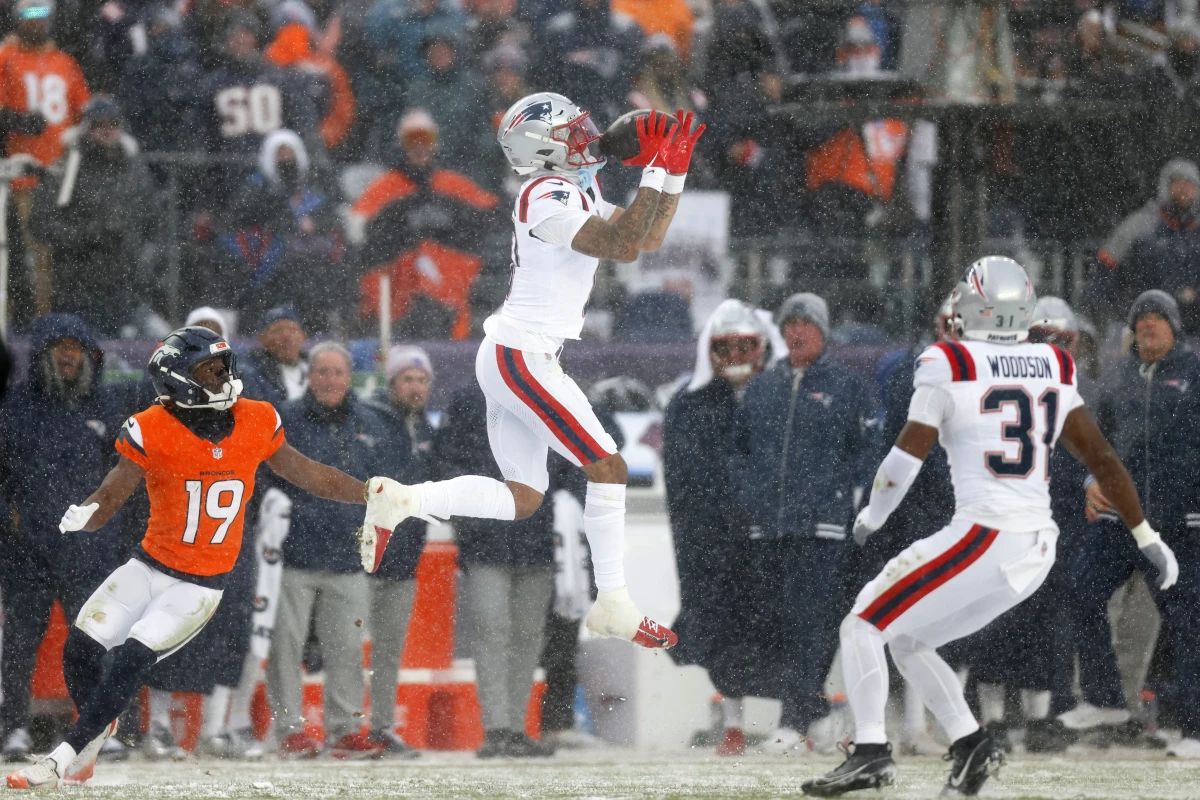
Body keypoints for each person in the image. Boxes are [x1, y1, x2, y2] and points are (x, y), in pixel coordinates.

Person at [801, 257, 1180, 797]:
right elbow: (1104, 460)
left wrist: (872, 516)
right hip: (1036, 545)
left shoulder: (947, 361)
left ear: (977, 307)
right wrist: (1148, 536)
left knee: (861, 623)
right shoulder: (1053, 364)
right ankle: (972, 744)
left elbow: (905, 459)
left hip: (985, 534)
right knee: (907, 639)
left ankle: (870, 753)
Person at [360, 96, 705, 651]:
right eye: (572, 130)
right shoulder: (546, 194)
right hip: (521, 354)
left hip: (521, 353)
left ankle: (402, 500)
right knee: (608, 467)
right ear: (544, 146)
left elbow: (645, 241)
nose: (587, 135)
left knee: (523, 497)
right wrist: (655, 164)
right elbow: (620, 244)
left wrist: (674, 167)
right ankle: (613, 600)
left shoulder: (575, 188)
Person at [5, 326, 374, 790]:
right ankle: (98, 730)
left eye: (224, 366)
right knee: (79, 650)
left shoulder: (257, 419)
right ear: (180, 379)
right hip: (147, 566)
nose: (223, 376)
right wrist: (85, 516)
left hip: (199, 585)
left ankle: (61, 759)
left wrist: (366, 492)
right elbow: (112, 493)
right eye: (210, 369)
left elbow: (311, 475)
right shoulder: (151, 427)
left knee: (131, 658)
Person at [730, 292, 878, 752]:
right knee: (776, 624)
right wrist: (750, 496)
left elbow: (869, 452)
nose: (796, 332)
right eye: (789, 324)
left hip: (823, 530)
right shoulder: (762, 386)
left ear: (824, 331)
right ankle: (813, 717)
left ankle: (793, 722)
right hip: (768, 529)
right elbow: (739, 450)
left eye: (806, 324)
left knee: (810, 625)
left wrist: (844, 499)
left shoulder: (848, 387)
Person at [1063, 290, 1200, 758]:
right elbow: (1093, 438)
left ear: (1174, 327)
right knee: (1081, 587)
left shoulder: (1195, 372)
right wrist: (1089, 481)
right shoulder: (1119, 378)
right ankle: (1106, 701)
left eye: (1158, 319)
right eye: (1140, 320)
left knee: (1187, 620)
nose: (1148, 326)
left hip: (1178, 519)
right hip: (1123, 516)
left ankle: (1195, 729)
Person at [0, 315, 124, 763]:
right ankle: (12, 728)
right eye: (60, 347)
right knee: (18, 644)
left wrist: (109, 534)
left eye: (76, 347)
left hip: (88, 551)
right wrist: (8, 526)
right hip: (25, 551)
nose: (69, 355)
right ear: (42, 354)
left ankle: (99, 730)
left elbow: (126, 479)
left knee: (95, 641)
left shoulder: (106, 407)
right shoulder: (15, 407)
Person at [266, 343, 394, 759]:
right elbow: (264, 477)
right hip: (292, 555)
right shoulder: (285, 420)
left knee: (349, 649)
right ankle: (288, 729)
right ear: (309, 375)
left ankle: (344, 731)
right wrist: (285, 515)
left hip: (347, 555)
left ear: (349, 377)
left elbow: (382, 485)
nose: (330, 380)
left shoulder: (369, 423)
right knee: (285, 648)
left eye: (337, 373)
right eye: (322, 372)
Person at [663, 299, 769, 756]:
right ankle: (732, 722)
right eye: (728, 347)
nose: (737, 356)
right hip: (714, 541)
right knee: (723, 633)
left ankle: (798, 718)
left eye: (747, 345)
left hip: (769, 536)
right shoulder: (688, 404)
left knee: (783, 624)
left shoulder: (778, 395)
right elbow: (685, 483)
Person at [361, 346, 435, 756]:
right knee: (349, 649)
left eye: (422, 380)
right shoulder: (371, 422)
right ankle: (347, 727)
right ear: (391, 384)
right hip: (366, 557)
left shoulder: (425, 430)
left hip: (404, 560)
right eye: (407, 378)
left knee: (388, 652)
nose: (415, 386)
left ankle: (381, 727)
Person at [29, 96, 155, 336]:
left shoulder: (135, 169)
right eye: (98, 124)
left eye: (113, 124)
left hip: (127, 286)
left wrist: (142, 255)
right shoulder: (66, 167)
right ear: (86, 128)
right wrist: (87, 235)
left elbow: (151, 218)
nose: (106, 131)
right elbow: (39, 223)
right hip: (77, 285)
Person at [0, 0, 90, 319]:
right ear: (17, 18)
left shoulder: (64, 62)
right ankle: (21, 319)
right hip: (21, 176)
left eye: (42, 15)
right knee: (22, 254)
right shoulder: (7, 57)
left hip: (61, 177)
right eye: (29, 15)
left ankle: (47, 319)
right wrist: (16, 120)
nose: (36, 22)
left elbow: (84, 112)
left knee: (51, 256)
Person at [1089, 159, 1200, 331]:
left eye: (1189, 184)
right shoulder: (1140, 225)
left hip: (1193, 329)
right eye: (1177, 182)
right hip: (1143, 323)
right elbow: (1104, 268)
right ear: (1165, 187)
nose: (1183, 189)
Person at [240, 305, 309, 406]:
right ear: (262, 338)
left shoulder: (317, 366)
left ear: (303, 336)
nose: (287, 337)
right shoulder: (252, 373)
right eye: (278, 330)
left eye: (292, 330)